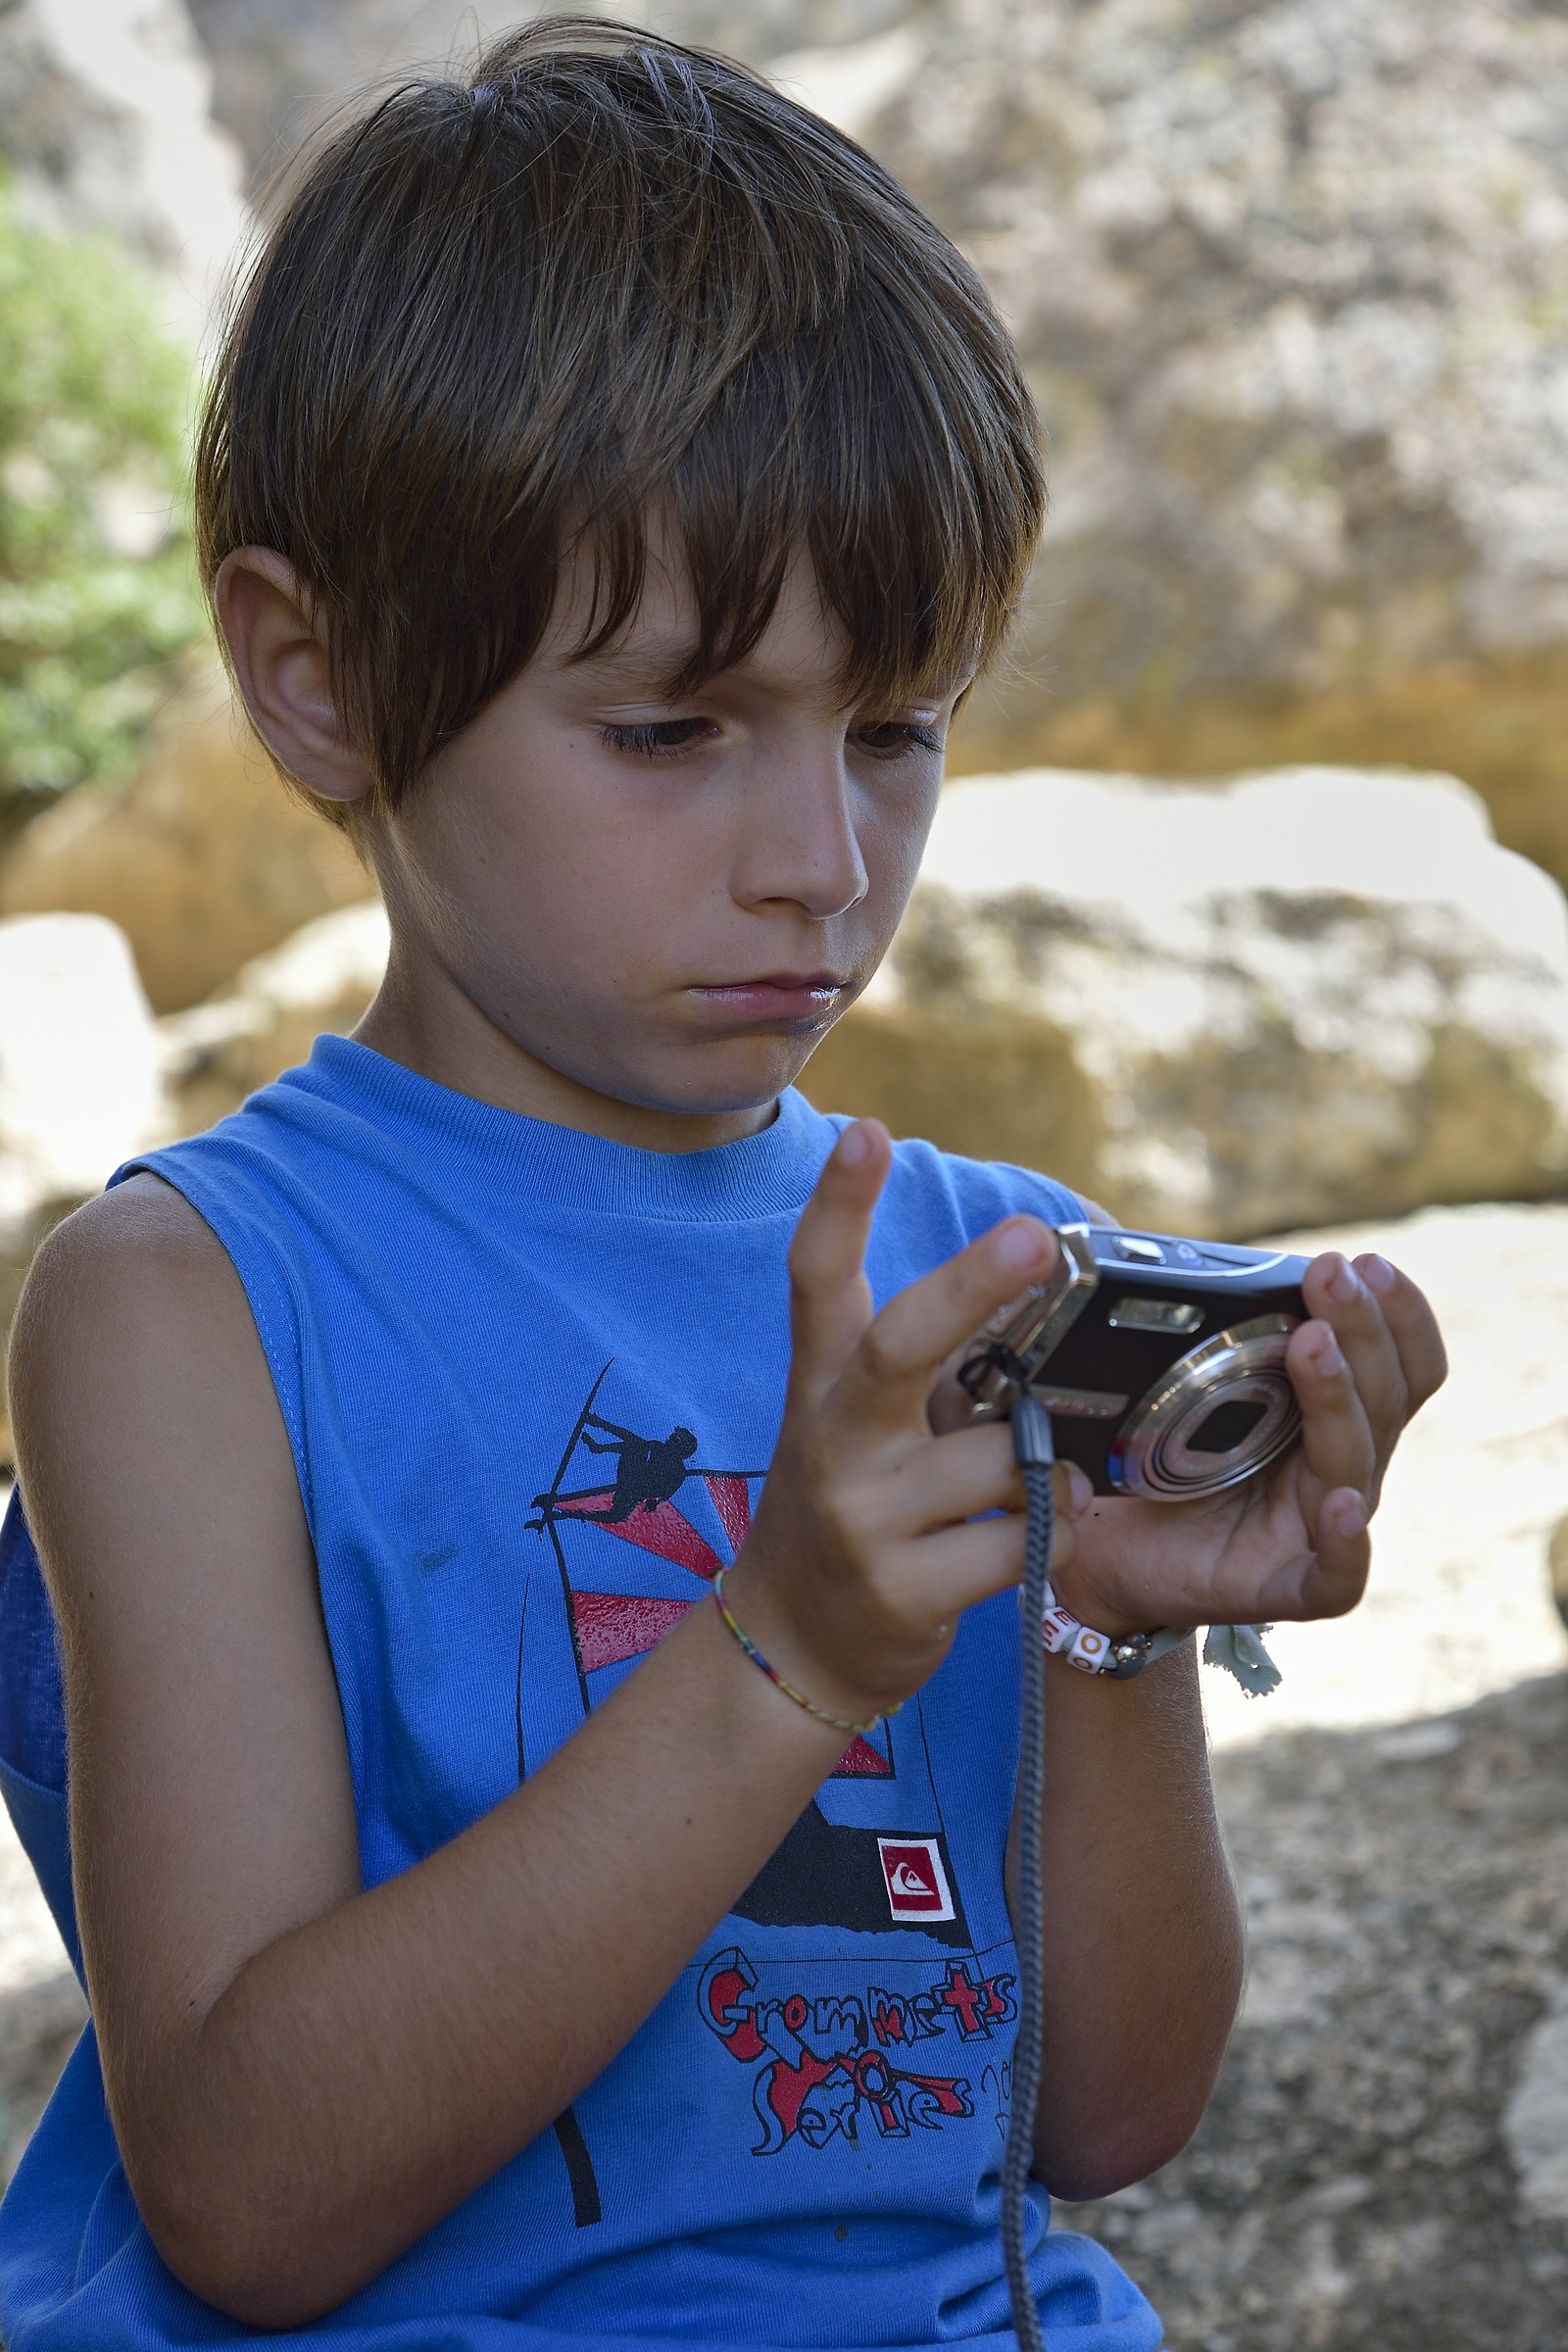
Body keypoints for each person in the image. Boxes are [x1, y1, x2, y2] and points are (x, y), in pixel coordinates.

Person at [0, 19, 1446, 2349]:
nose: (820, 864)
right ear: (314, 677)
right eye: (669, 728)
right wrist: (785, 1652)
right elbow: (250, 2199)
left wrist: (1113, 1627)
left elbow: (1103, 2116)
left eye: (893, 729)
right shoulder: (195, 1303)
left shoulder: (983, 1275)